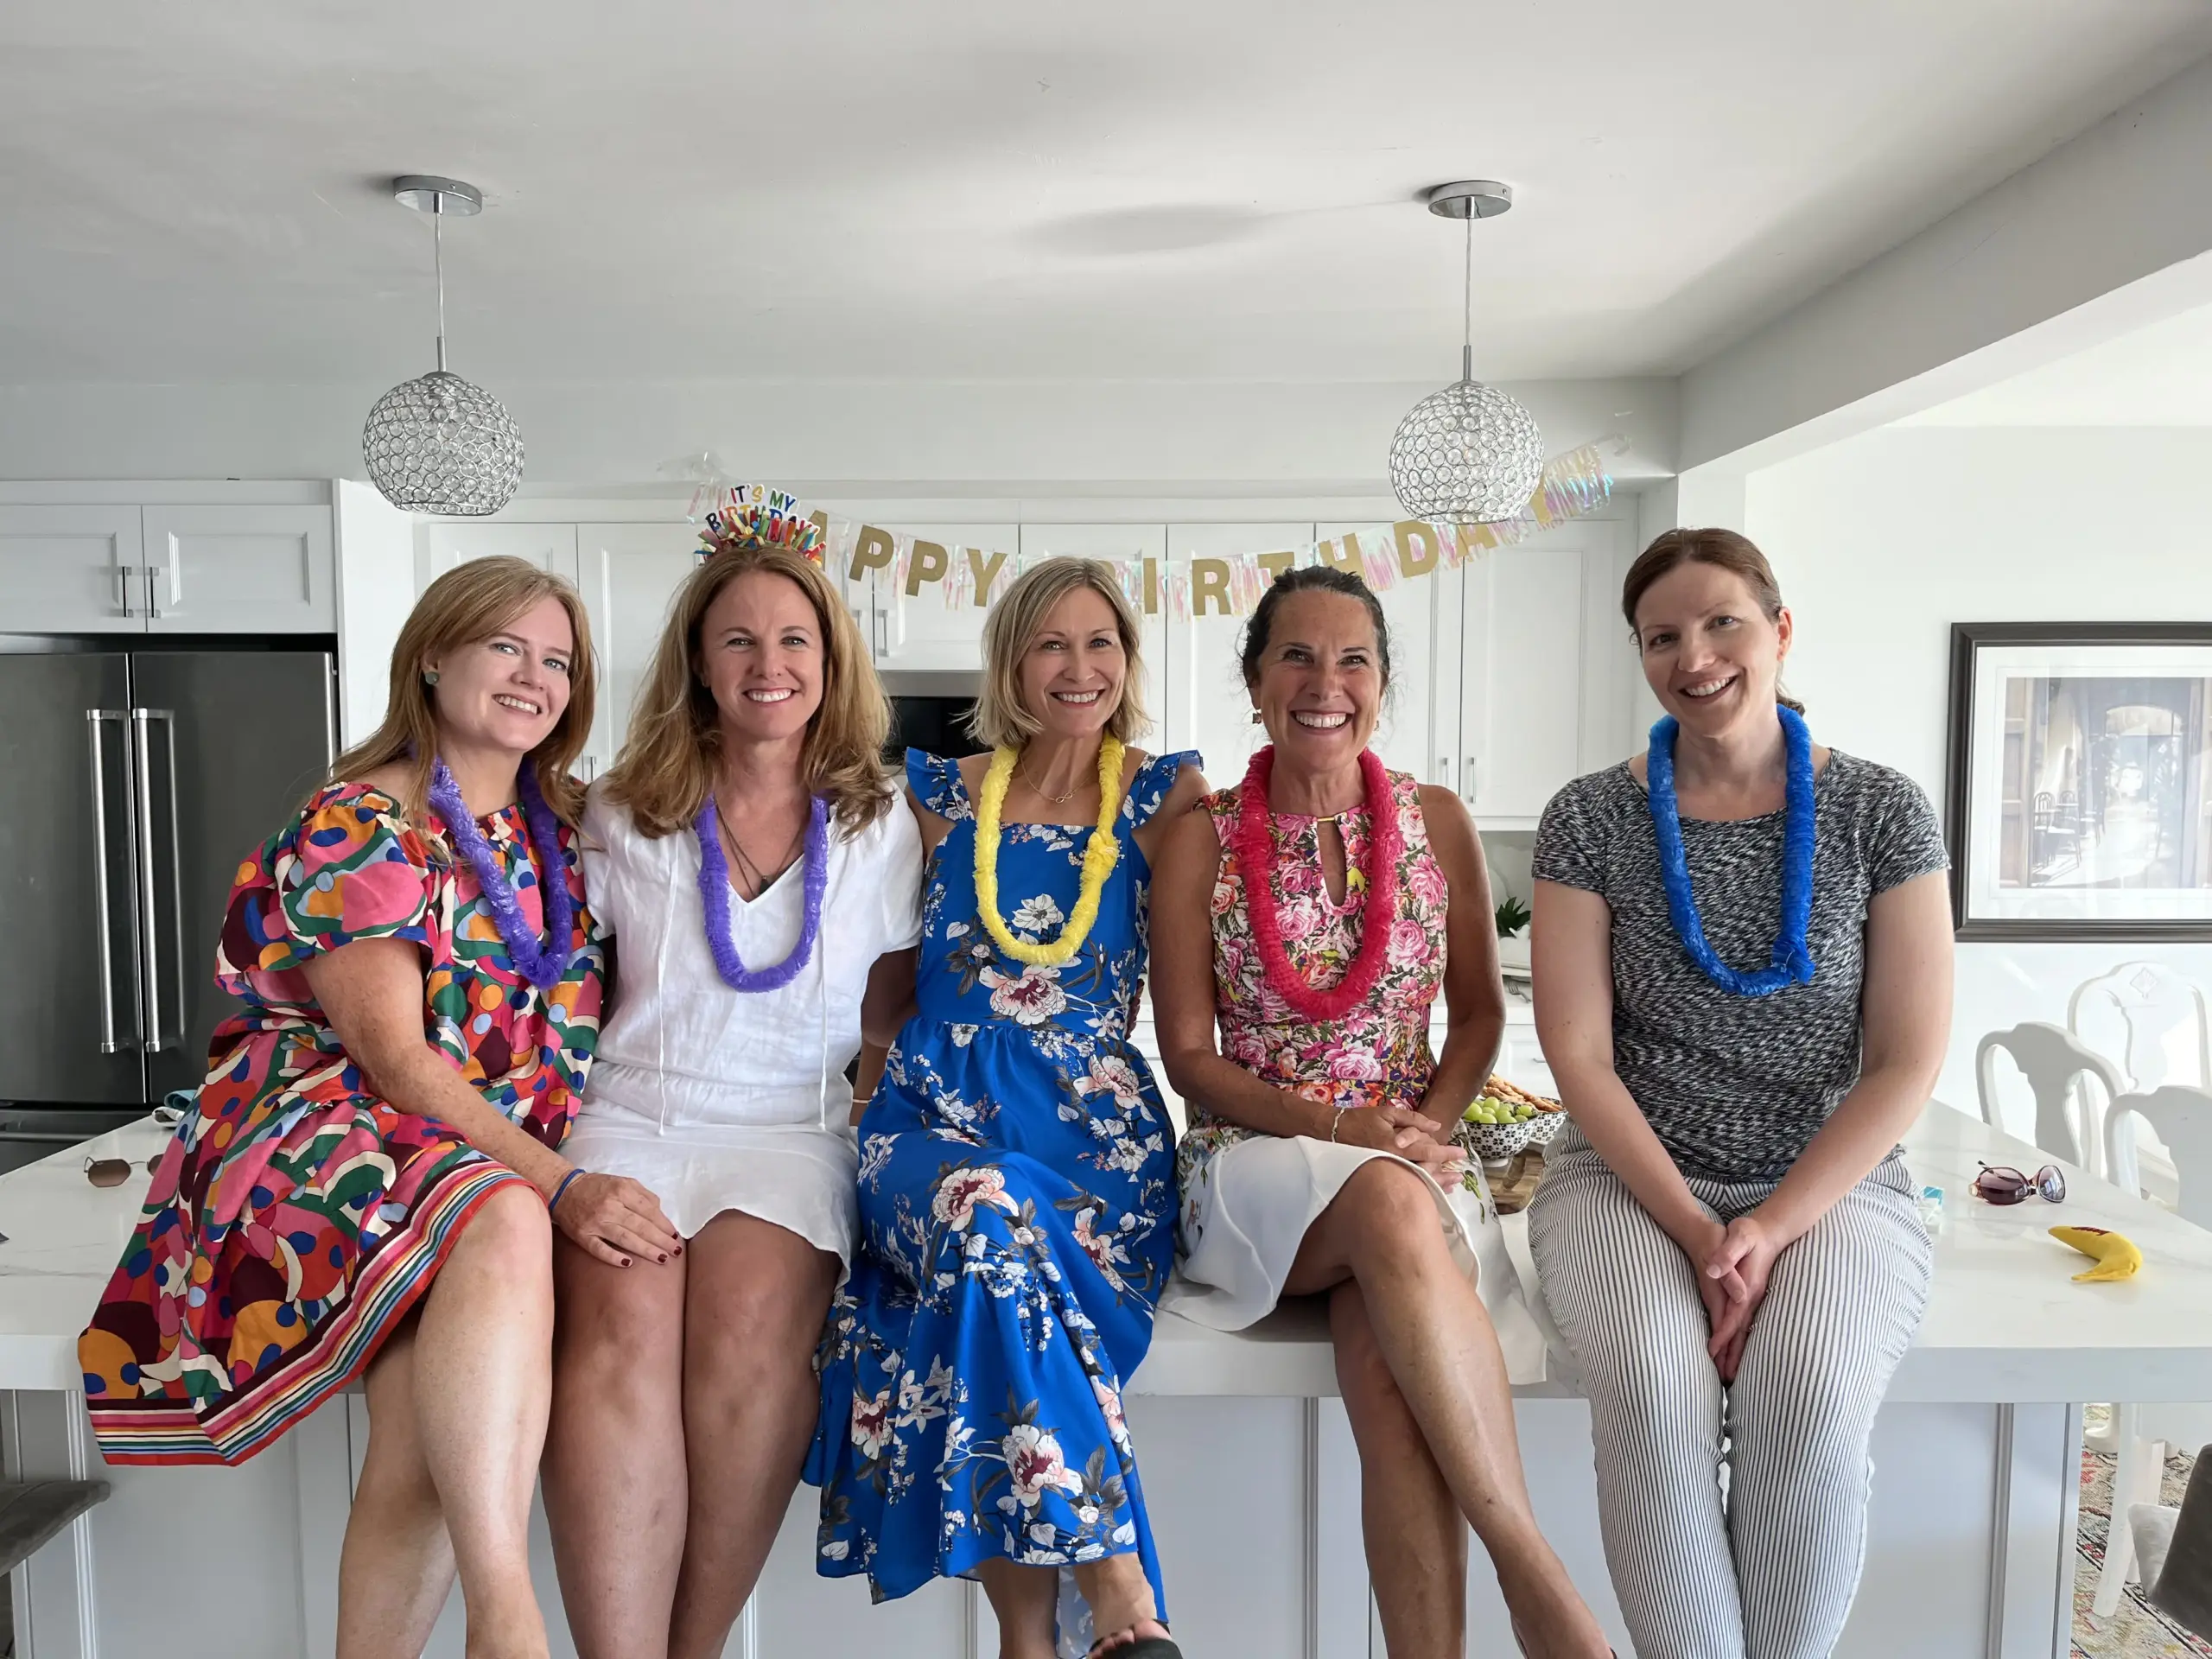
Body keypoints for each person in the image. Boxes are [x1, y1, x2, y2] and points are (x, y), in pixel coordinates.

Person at [79, 556, 667, 1659]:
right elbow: (396, 1063)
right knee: (503, 1218)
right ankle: (508, 1614)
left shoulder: (570, 828)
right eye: (507, 648)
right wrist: (567, 1186)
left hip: (465, 1146)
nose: (535, 677)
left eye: (557, 660)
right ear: (434, 655)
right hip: (328, 1125)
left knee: (416, 1430)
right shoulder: (362, 820)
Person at [1148, 565, 1613, 1659]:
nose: (1325, 682)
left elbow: (1477, 1016)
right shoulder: (1201, 839)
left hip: (1406, 1161)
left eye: (1352, 658)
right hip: (1252, 1162)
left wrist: (1425, 1128)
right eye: (1296, 657)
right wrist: (1349, 1133)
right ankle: (1532, 1572)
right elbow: (1185, 1060)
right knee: (1394, 1216)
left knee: (1388, 1382)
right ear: (1256, 682)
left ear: (1383, 682)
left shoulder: (1435, 820)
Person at [1528, 527, 1954, 1659]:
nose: (1695, 655)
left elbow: (1906, 1059)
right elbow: (1578, 1055)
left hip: (1830, 1185)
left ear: (1779, 629)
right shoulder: (1590, 818)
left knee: (1808, 1401)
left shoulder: (1880, 811)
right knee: (1652, 1404)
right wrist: (1705, 1233)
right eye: (1661, 636)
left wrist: (1766, 1226)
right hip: (1625, 1183)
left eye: (1722, 622)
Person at [808, 557, 1205, 1659]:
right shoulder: (935, 794)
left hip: (1093, 1139)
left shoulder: (1165, 797)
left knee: (985, 1277)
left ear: (1126, 660)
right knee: (980, 1215)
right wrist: (855, 1096)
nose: (1078, 670)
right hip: (929, 1116)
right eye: (1051, 645)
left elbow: (1184, 1017)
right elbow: (880, 989)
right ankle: (1119, 1587)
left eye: (1101, 644)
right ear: (1012, 663)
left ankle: (1027, 1647)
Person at [542, 538, 922, 1659]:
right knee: (620, 1339)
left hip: (787, 1127)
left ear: (830, 660)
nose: (770, 663)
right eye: (740, 639)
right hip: (629, 1116)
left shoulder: (876, 824)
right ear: (699, 664)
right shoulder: (619, 813)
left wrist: (876, 1128)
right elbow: (559, 994)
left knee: (752, 1339)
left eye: (794, 639)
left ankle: (691, 1650)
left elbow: (888, 1012)